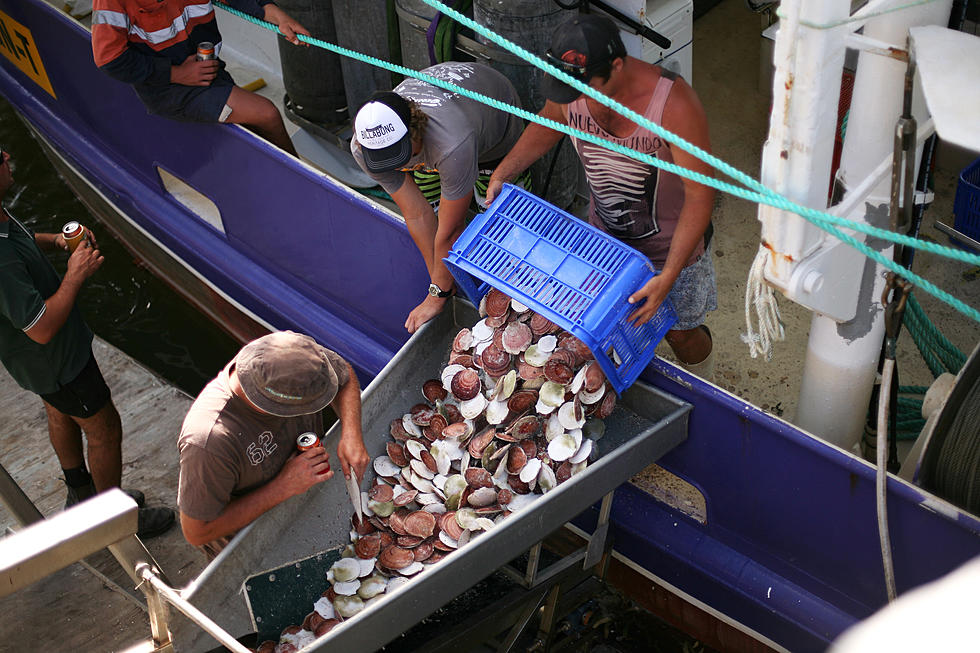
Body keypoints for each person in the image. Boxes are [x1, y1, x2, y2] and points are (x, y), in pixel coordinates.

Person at [486, 15, 717, 378]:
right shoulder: (570, 90)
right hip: (604, 242)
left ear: (617, 66)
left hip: (674, 251)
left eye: (581, 87)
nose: (573, 97)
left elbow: (701, 195)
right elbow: (549, 122)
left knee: (681, 334)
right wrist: (505, 171)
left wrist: (669, 275)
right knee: (607, 327)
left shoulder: (673, 104)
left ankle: (707, 381)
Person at [0, 147, 175, 538]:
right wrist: (75, 275)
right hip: (55, 359)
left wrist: (57, 244)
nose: (9, 154)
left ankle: (80, 494)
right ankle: (114, 522)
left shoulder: (1, 215)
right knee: (104, 428)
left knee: (60, 411)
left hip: (46, 369)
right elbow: (40, 327)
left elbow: (23, 239)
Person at [350, 61, 529, 334]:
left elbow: (451, 230)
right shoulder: (363, 150)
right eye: (384, 160)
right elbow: (416, 213)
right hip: (437, 149)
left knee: (496, 214)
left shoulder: (451, 144)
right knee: (432, 206)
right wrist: (438, 278)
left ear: (413, 130)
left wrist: (437, 295)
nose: (394, 167)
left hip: (494, 125)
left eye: (398, 154)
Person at [177, 330, 369, 558]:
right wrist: (283, 487)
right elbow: (197, 532)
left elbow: (343, 374)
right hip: (255, 547)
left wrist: (351, 432)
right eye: (310, 403)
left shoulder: (287, 355)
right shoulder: (209, 442)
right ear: (275, 406)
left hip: (305, 505)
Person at [91, 0, 308, 156]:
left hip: (208, 70)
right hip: (167, 89)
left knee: (250, 129)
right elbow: (110, 60)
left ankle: (266, 170)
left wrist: (279, 18)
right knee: (266, 114)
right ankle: (300, 182)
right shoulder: (111, 2)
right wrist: (177, 74)